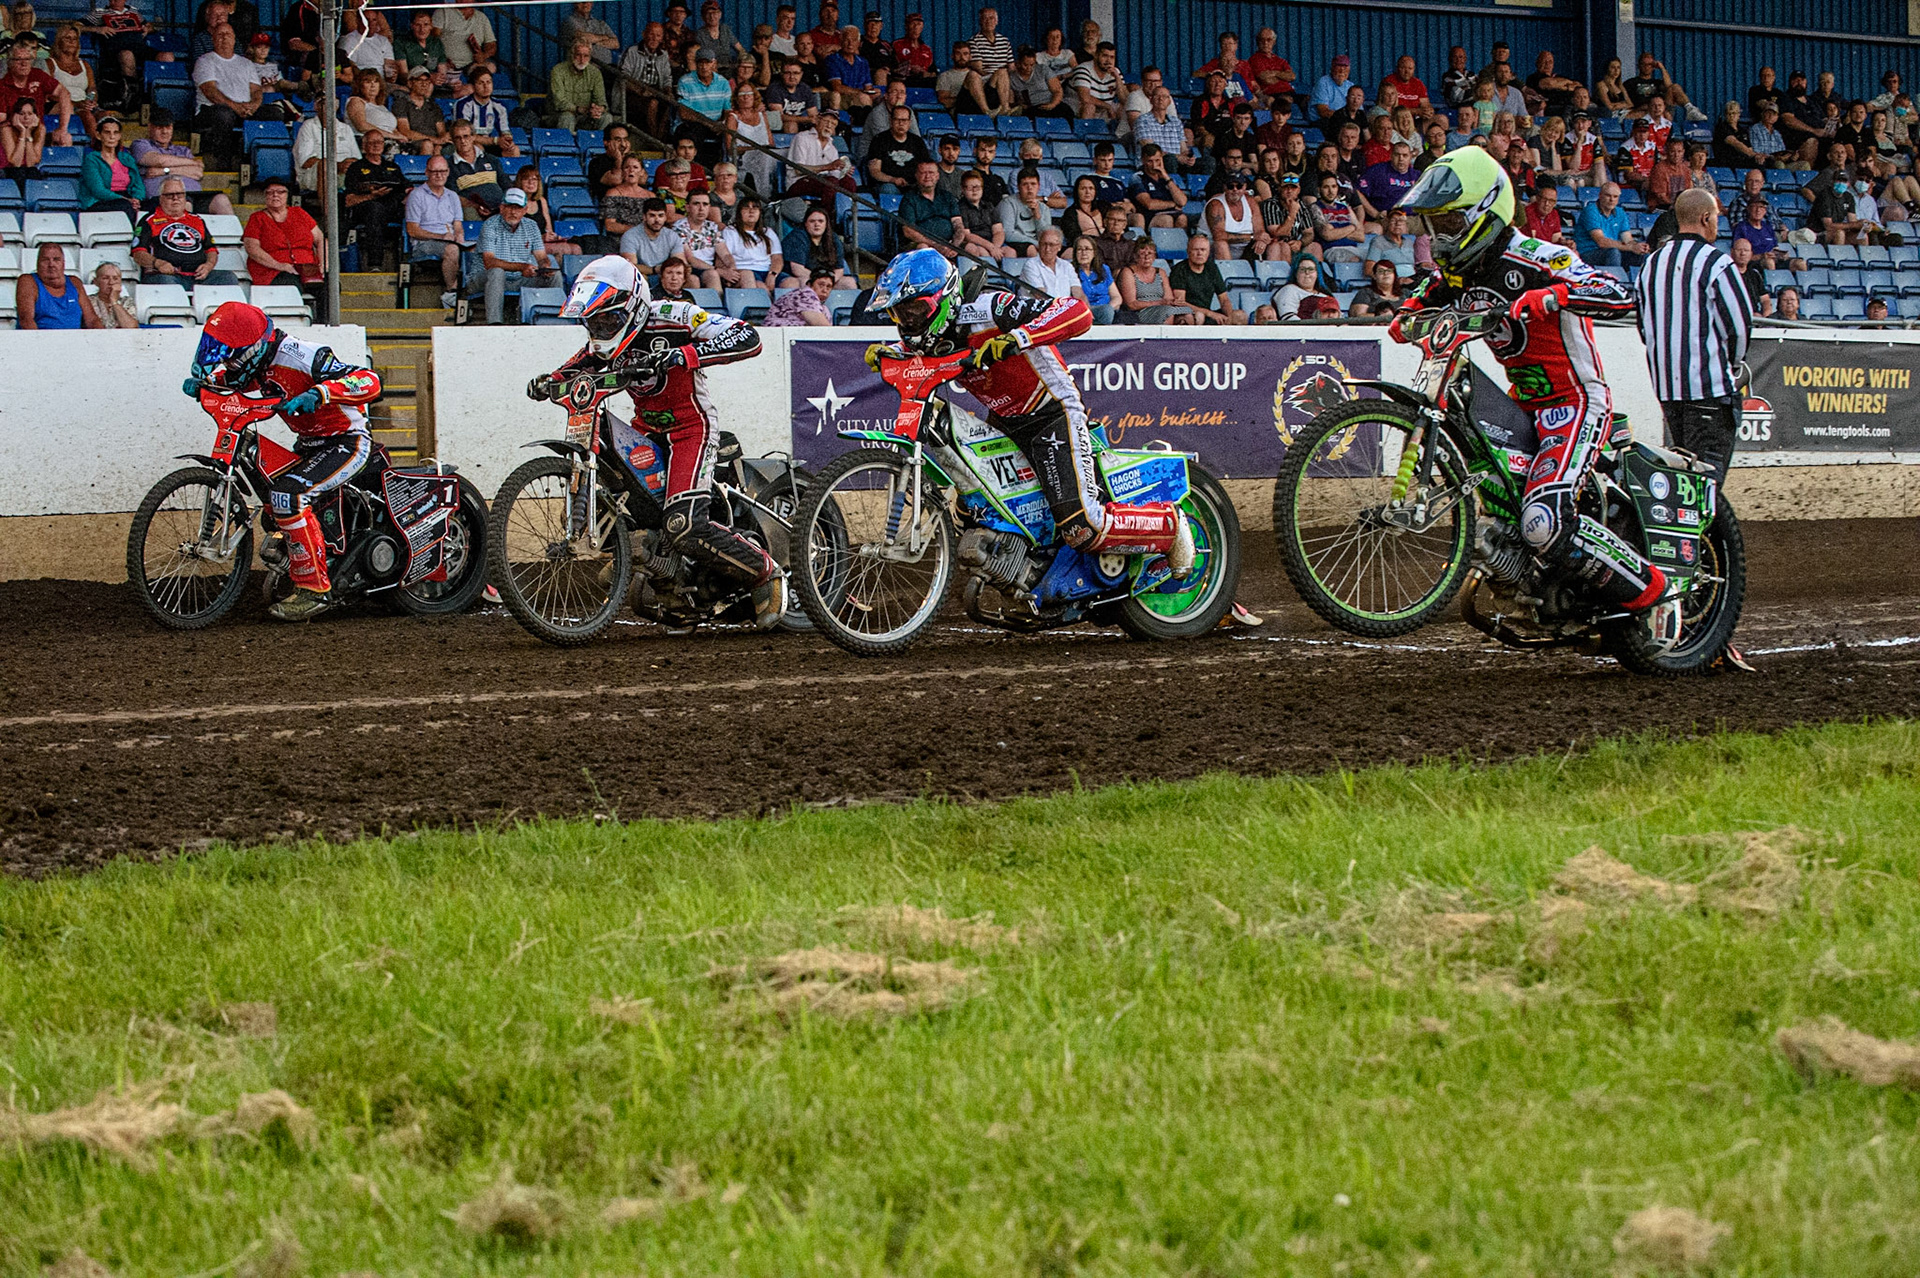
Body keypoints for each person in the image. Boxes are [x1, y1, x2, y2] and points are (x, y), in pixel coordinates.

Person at [1395, 146, 1678, 645]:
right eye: (1434, 225)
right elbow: (1410, 312)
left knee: (1543, 521)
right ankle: (1533, 590)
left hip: (1576, 402)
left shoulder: (1539, 256)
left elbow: (1618, 294)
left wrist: (1552, 295)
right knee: (1499, 519)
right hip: (1522, 405)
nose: (1440, 236)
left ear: (1485, 211)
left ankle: (1657, 594)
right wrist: (1406, 318)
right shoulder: (1459, 274)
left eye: (1450, 222)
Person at [865, 247, 1194, 570]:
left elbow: (1078, 312)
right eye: (899, 314)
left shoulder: (989, 307)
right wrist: (891, 352)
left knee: (1082, 526)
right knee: (972, 511)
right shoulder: (926, 337)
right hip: (1004, 421)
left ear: (945, 298)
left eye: (915, 310)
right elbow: (918, 351)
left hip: (1051, 412)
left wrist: (1018, 338)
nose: (908, 320)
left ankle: (1169, 525)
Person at [529, 256, 786, 627]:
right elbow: (580, 364)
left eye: (608, 320)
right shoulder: (602, 345)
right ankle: (659, 568)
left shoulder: (674, 315)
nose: (601, 329)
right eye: (594, 323)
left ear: (633, 307)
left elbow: (747, 336)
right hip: (646, 430)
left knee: (684, 525)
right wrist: (549, 381)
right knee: (619, 514)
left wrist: (684, 355)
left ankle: (765, 571)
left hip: (691, 429)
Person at [183, 302, 382, 620]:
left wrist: (320, 393)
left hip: (347, 441)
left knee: (288, 497)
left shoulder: (303, 356)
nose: (227, 363)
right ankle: (315, 560)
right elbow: (230, 380)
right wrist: (206, 385)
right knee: (273, 507)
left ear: (253, 349)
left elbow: (369, 379)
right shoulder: (255, 364)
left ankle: (315, 590)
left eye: (232, 356)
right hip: (308, 445)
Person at [473, 186, 556, 324]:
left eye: (517, 208)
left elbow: (541, 256)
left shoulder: (532, 226)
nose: (513, 212)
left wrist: (545, 265)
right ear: (501, 208)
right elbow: (489, 262)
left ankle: (555, 322)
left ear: (525, 210)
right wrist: (521, 267)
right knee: (496, 272)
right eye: (509, 207)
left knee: (554, 276)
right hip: (485, 278)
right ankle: (494, 324)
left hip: (519, 279)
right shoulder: (490, 225)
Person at [244, 177, 325, 314]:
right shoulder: (257, 218)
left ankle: (323, 323)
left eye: (280, 192)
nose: (275, 195)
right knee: (290, 284)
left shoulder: (299, 213)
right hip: (274, 271)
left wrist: (322, 264)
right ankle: (298, 320)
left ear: (287, 195)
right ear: (265, 196)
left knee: (330, 286)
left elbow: (320, 239)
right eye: (270, 192)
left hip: (307, 269)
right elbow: (252, 248)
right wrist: (280, 265)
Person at [130, 108, 233, 216]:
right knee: (184, 203)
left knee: (221, 200)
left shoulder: (183, 150)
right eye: (159, 128)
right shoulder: (141, 144)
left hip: (195, 195)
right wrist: (192, 163)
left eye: (168, 127)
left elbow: (198, 173)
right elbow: (159, 161)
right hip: (165, 198)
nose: (164, 132)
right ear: (150, 127)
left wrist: (164, 171)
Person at [134, 176, 236, 283]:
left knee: (228, 277)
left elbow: (211, 250)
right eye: (170, 195)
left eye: (180, 194)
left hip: (197, 275)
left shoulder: (197, 220)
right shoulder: (149, 220)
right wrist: (157, 263)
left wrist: (208, 265)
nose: (175, 198)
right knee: (166, 282)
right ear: (161, 198)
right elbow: (138, 253)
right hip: (165, 275)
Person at [191, 22, 256, 169]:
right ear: (213, 39)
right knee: (224, 115)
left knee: (273, 113)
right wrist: (236, 107)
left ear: (234, 39)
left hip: (243, 109)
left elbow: (256, 90)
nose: (224, 38)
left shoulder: (246, 63)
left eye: (228, 34)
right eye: (220, 34)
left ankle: (256, 163)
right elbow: (210, 92)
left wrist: (253, 106)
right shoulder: (205, 61)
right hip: (211, 109)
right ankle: (222, 160)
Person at [341, 130, 404, 269]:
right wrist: (372, 196)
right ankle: (375, 264)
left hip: (392, 207)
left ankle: (410, 261)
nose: (376, 145)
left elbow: (407, 189)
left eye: (379, 142)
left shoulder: (393, 167)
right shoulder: (356, 168)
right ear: (364, 146)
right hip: (366, 209)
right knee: (375, 210)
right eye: (372, 142)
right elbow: (349, 201)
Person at [16, 239, 95, 328]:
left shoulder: (75, 283)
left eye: (56, 259)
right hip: (40, 336)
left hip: (75, 337)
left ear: (63, 263)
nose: (51, 264)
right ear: (38, 263)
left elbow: (92, 320)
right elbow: (26, 320)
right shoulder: (28, 281)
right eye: (45, 260)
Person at [1169, 233, 1243, 325]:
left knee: (1240, 315)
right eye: (1196, 249)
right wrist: (1210, 313)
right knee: (1199, 316)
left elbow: (1224, 299)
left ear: (1208, 252)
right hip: (1189, 314)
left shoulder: (1212, 268)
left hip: (1207, 313)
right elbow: (1180, 304)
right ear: (1188, 251)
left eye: (1203, 250)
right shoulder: (1180, 269)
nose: (1199, 253)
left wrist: (1229, 317)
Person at [77, 111, 141, 214]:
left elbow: (138, 184)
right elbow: (98, 190)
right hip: (100, 200)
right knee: (125, 206)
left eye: (115, 133)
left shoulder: (127, 158)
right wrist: (125, 200)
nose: (112, 137)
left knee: (154, 204)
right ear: (98, 135)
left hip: (126, 197)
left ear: (119, 135)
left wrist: (136, 199)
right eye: (107, 132)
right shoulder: (92, 159)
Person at [778, 203, 852, 287]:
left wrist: (828, 281)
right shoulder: (797, 237)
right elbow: (797, 270)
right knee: (805, 282)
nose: (817, 224)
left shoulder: (833, 238)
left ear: (826, 224)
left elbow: (839, 269)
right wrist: (820, 280)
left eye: (821, 221)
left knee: (849, 282)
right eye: (812, 221)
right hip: (799, 277)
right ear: (805, 224)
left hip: (827, 278)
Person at [1575, 181, 1647, 267]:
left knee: (1643, 256)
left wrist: (1638, 246)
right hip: (1588, 253)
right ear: (1600, 195)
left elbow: (1627, 239)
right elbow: (1601, 242)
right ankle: (1613, 276)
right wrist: (1631, 247)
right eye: (1608, 195)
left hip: (1611, 252)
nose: (1611, 200)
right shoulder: (1591, 211)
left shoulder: (1620, 212)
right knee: (1613, 252)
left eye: (1615, 196)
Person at [716, 194, 779, 285]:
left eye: (755, 208)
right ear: (739, 212)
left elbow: (777, 258)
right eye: (746, 208)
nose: (751, 211)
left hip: (767, 271)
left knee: (791, 282)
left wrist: (773, 274)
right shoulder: (730, 231)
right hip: (743, 270)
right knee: (760, 286)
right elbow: (722, 258)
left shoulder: (768, 232)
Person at [455, 69, 517, 157]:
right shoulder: (464, 104)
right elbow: (465, 135)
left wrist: (508, 140)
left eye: (489, 82)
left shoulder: (499, 106)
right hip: (469, 143)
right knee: (477, 148)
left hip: (490, 144)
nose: (486, 86)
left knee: (514, 150)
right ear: (473, 87)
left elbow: (505, 130)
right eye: (481, 83)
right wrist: (495, 140)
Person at [548, 36, 605, 130]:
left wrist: (599, 109)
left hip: (586, 116)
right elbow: (559, 102)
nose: (582, 60)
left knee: (606, 117)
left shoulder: (595, 73)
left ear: (590, 57)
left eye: (586, 56)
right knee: (567, 117)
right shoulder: (558, 70)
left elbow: (601, 99)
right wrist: (579, 109)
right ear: (572, 54)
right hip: (560, 116)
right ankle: (565, 140)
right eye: (578, 55)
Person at [621, 197, 685, 280]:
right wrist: (654, 270)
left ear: (665, 217)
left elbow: (679, 263)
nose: (657, 220)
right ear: (644, 217)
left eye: (661, 216)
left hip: (666, 276)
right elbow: (631, 267)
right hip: (644, 275)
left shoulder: (672, 236)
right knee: (638, 278)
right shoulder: (630, 236)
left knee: (692, 279)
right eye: (652, 215)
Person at [1117, 235, 1174, 323]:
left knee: (1187, 314)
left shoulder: (1160, 272)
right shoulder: (1128, 272)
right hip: (1141, 312)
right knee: (1168, 312)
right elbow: (1131, 304)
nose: (1147, 257)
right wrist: (1157, 303)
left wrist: (1165, 303)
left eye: (1150, 253)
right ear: (1135, 256)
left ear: (1154, 256)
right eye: (1142, 254)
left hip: (1164, 308)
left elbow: (1168, 298)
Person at [1070, 233, 1114, 323]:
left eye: (1087, 249)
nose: (1084, 253)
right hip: (1083, 311)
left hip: (1106, 310)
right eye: (1079, 249)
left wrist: (1110, 308)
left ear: (1094, 253)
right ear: (1075, 253)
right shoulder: (1070, 270)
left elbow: (1117, 297)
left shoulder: (1103, 269)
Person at [763, 270, 833, 325]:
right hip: (776, 333)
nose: (824, 290)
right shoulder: (805, 294)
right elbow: (821, 324)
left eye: (828, 287)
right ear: (809, 285)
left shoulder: (823, 307)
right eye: (821, 285)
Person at [88, 257, 135, 326]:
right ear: (96, 281)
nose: (111, 282)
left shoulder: (127, 302)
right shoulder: (88, 301)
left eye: (115, 278)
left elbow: (131, 327)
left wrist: (114, 301)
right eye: (105, 278)